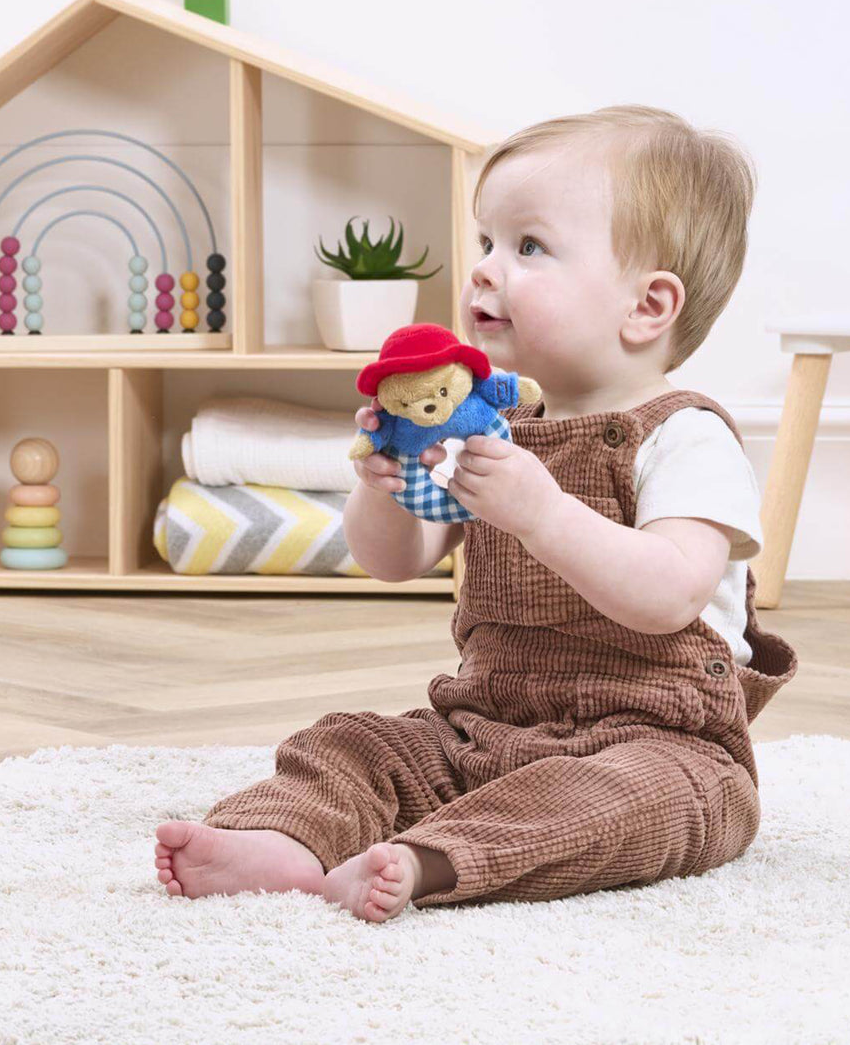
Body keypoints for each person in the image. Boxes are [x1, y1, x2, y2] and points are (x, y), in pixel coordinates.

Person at [153, 104, 798, 921]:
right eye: (486, 242)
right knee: (351, 740)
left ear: (648, 306)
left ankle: (434, 860)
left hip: (659, 742)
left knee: (630, 804)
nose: (485, 270)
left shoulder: (687, 439)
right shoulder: (493, 432)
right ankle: (284, 841)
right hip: (487, 723)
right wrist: (379, 485)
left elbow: (668, 593)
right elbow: (397, 558)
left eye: (528, 246)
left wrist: (542, 512)